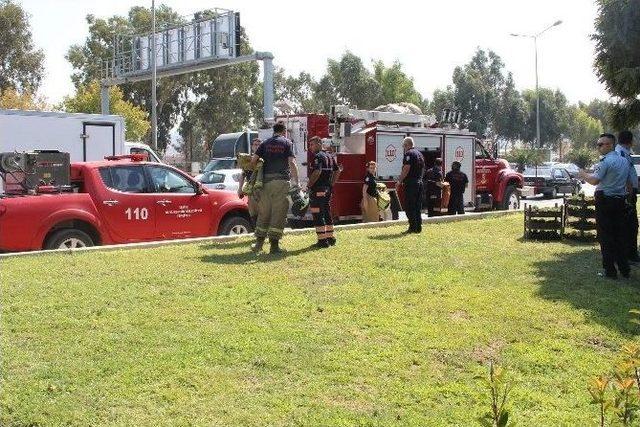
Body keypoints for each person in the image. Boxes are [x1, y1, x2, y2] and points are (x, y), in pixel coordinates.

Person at [578, 133, 633, 279]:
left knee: (606, 236)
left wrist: (583, 174)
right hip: (620, 201)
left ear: (610, 145)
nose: (599, 147)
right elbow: (629, 184)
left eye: (601, 144)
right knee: (620, 236)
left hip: (605, 201)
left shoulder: (605, 162)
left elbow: (595, 180)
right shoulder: (624, 161)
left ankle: (610, 271)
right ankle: (625, 269)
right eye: (598, 144)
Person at [249, 122, 299, 254]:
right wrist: (296, 182)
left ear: (274, 131)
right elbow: (292, 163)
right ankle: (274, 246)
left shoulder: (265, 143)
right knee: (278, 212)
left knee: (264, 212)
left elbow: (253, 161)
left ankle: (258, 244)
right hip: (281, 183)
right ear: (283, 132)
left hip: (265, 183)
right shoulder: (287, 143)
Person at [307, 136, 340, 248]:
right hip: (327, 190)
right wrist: (331, 184)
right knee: (326, 212)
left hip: (318, 190)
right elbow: (337, 171)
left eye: (312, 144)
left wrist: (308, 185)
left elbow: (317, 172)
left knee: (317, 214)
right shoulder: (330, 156)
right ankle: (330, 238)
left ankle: (322, 241)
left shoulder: (318, 156)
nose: (310, 147)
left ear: (319, 144)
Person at [616, 130, 640, 263]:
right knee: (628, 225)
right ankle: (627, 254)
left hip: (629, 192)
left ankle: (631, 253)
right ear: (630, 141)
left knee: (632, 225)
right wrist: (629, 194)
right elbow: (624, 175)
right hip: (626, 194)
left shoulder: (625, 153)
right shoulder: (620, 154)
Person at [396, 137, 425, 233]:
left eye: (403, 146)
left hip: (411, 183)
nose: (403, 148)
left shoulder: (409, 154)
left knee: (409, 206)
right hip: (419, 182)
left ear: (406, 145)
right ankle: (418, 227)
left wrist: (399, 181)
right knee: (417, 206)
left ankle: (412, 227)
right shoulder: (420, 154)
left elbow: (406, 168)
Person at [237, 137, 262, 227]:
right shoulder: (247, 159)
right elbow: (243, 174)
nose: (257, 146)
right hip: (251, 191)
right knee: (253, 214)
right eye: (255, 145)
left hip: (263, 191)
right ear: (252, 147)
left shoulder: (265, 159)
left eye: (259, 145)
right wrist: (240, 189)